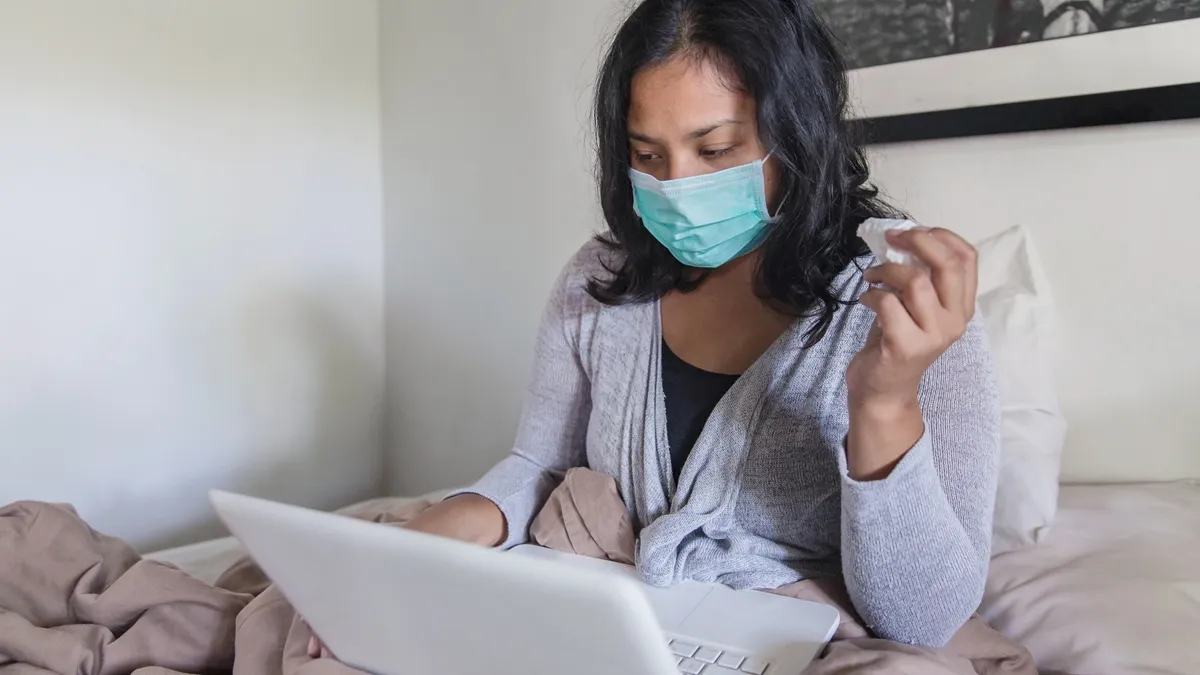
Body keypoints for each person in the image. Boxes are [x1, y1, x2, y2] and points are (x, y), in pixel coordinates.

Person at [311, 0, 998, 657]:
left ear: (797, 138)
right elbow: (539, 464)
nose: (677, 184)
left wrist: (885, 403)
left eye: (716, 149)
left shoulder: (911, 318)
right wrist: (451, 524)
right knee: (326, 618)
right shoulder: (598, 281)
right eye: (648, 155)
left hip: (790, 642)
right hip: (610, 615)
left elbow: (924, 619)